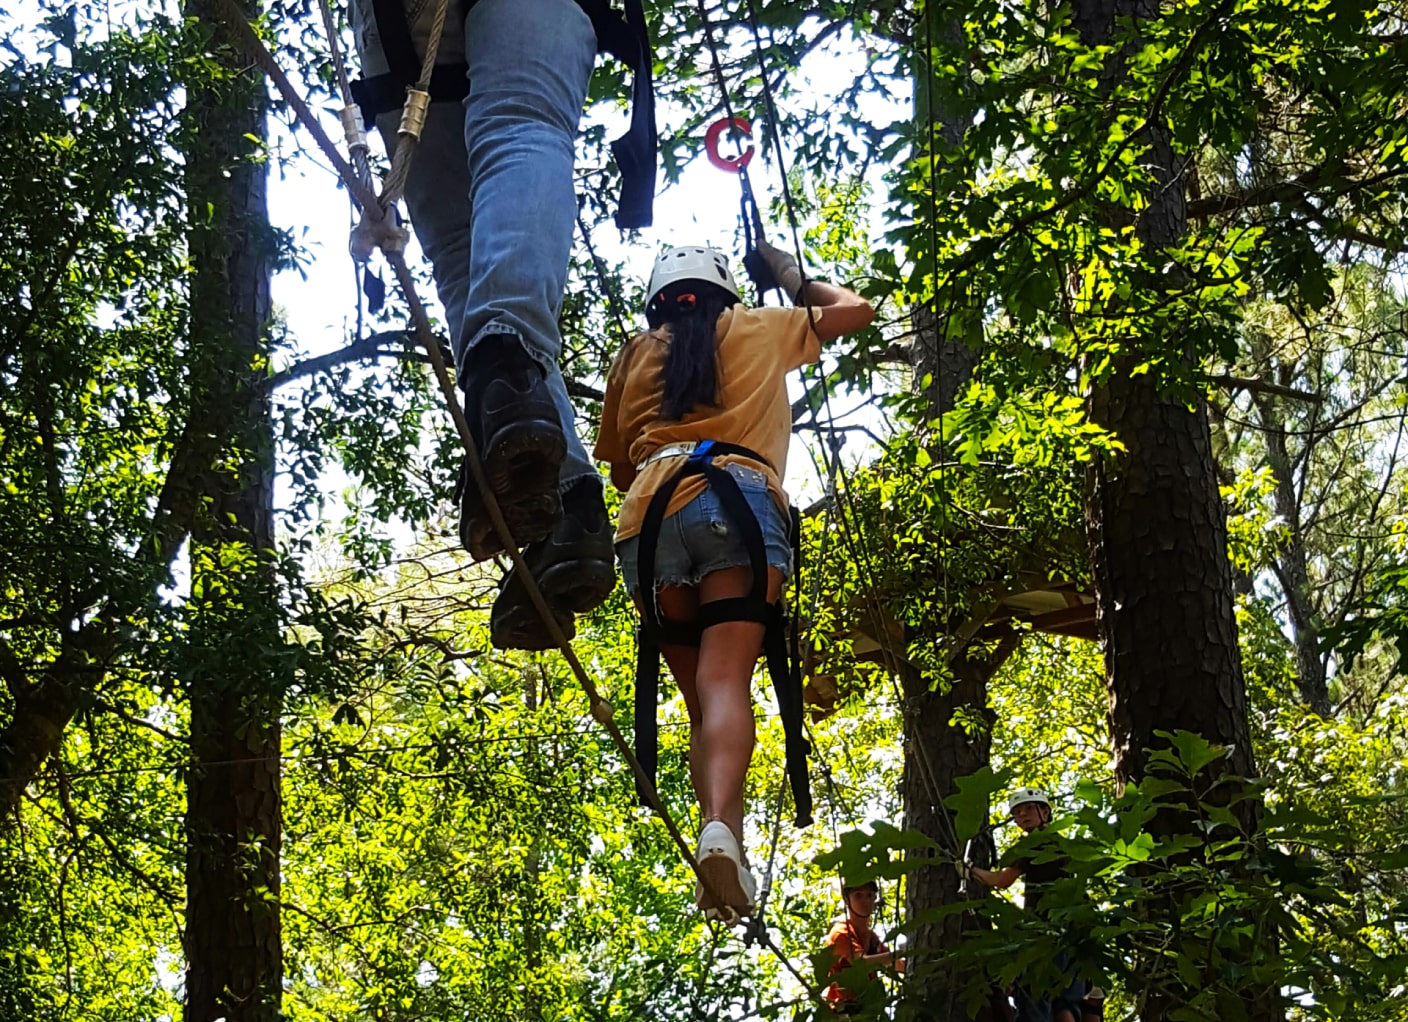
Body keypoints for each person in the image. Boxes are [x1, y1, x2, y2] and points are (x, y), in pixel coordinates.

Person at [347, 0, 650, 650]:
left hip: (395, 26)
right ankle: (508, 380)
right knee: (524, 130)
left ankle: (565, 503)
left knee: (459, 248)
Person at [594, 241, 874, 918]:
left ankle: (728, 842)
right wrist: (784, 271)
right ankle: (723, 829)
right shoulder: (759, 325)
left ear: (659, 299)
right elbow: (855, 311)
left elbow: (621, 468)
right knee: (726, 686)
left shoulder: (632, 355)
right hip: (738, 498)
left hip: (648, 520)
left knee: (704, 706)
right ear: (724, 292)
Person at [958, 788, 1087, 1022]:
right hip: (1074, 937)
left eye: (1029, 808)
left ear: (1045, 812)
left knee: (1035, 999)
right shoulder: (1066, 844)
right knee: (1063, 1004)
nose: (1023, 815)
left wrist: (970, 871)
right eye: (1017, 812)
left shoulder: (1033, 844)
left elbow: (1003, 880)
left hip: (1045, 936)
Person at [821, 878, 904, 1016]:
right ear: (847, 900)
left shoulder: (871, 938)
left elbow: (895, 965)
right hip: (843, 1012)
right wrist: (901, 953)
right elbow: (861, 963)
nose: (865, 901)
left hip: (866, 1011)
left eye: (869, 895)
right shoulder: (841, 932)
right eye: (858, 895)